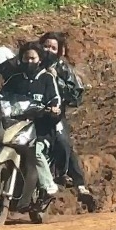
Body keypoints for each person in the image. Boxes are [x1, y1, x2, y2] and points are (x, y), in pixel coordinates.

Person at [0, 41, 64, 201]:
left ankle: (48, 187)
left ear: (39, 59)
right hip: (16, 125)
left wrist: (54, 108)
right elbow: (3, 94)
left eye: (32, 58)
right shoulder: (15, 79)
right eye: (26, 58)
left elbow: (55, 99)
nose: (29, 62)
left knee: (36, 152)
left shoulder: (47, 78)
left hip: (41, 129)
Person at [39, 31, 93, 204]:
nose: (48, 50)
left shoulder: (62, 68)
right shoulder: (31, 63)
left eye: (53, 48)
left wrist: (58, 82)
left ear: (60, 51)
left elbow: (76, 94)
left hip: (54, 116)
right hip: (30, 114)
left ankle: (74, 180)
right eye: (45, 46)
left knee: (62, 142)